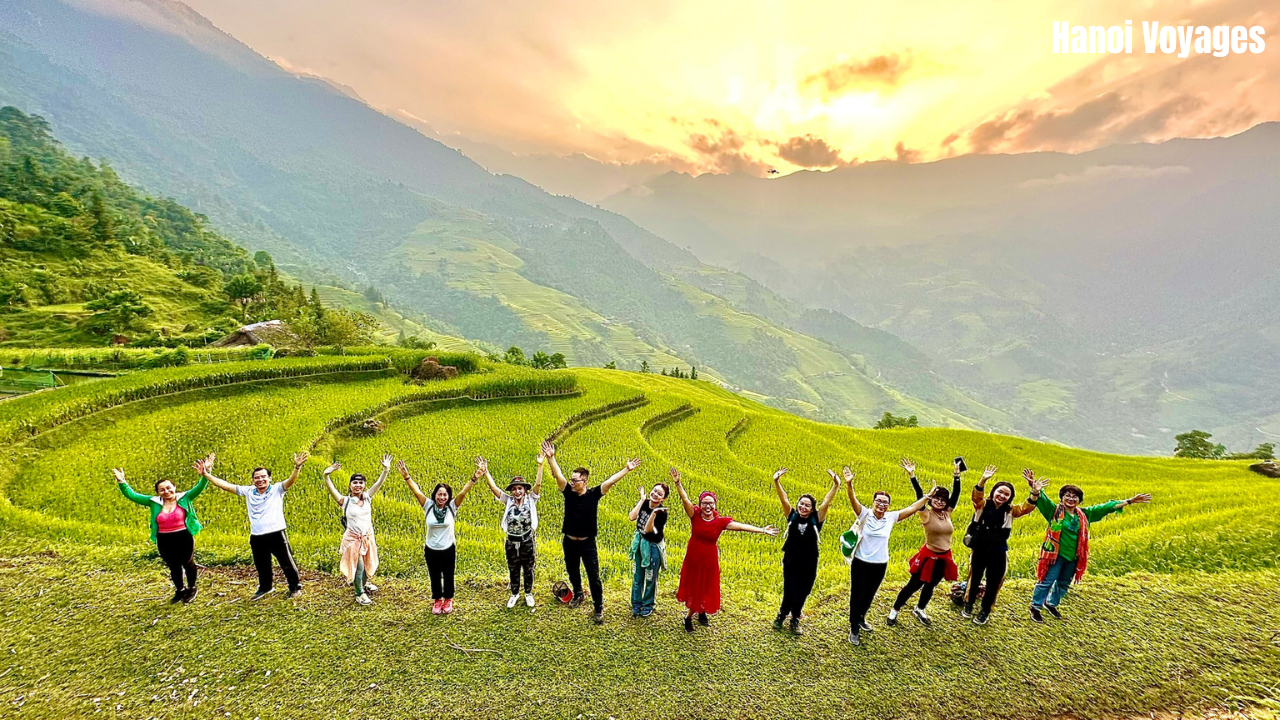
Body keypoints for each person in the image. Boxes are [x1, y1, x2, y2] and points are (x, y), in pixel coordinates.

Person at [1025, 469, 1152, 622]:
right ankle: (1035, 607)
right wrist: (1034, 487)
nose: (1071, 499)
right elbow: (1041, 499)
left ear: (1079, 500)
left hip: (1074, 556)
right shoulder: (1054, 511)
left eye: (1075, 496)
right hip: (1055, 555)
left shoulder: (1084, 515)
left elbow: (1106, 507)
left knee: (1064, 583)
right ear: (1062, 498)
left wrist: (1130, 501)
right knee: (1046, 581)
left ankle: (1051, 603)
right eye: (1067, 495)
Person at [543, 439, 641, 625]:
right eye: (571, 479)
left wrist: (626, 469)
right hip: (569, 541)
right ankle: (578, 594)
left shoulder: (594, 494)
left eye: (575, 480)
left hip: (588, 543)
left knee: (593, 576)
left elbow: (610, 481)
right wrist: (551, 458)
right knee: (573, 571)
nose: (572, 482)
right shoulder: (568, 492)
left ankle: (598, 606)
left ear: (585, 481)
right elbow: (558, 475)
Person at [671, 468, 779, 632]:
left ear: (715, 504)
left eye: (711, 503)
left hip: (709, 557)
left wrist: (762, 530)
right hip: (694, 556)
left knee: (706, 585)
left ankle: (701, 612)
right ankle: (688, 617)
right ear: (700, 504)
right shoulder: (695, 515)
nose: (708, 506)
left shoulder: (720, 521)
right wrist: (678, 483)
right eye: (704, 503)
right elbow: (685, 499)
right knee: (695, 586)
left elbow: (742, 527)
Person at [200, 452, 308, 600]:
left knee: (286, 563)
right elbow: (226, 486)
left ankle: (295, 587)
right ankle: (265, 587)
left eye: (263, 477)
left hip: (276, 533)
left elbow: (291, 480)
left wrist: (297, 467)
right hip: (257, 535)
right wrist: (206, 474)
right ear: (252, 480)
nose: (260, 480)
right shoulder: (249, 491)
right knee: (261, 564)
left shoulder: (277, 489)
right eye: (256, 477)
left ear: (269, 478)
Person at [843, 466, 928, 646]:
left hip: (880, 564)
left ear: (888, 505)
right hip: (861, 562)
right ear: (873, 502)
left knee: (870, 594)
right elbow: (853, 500)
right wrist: (849, 484)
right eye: (879, 501)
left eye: (885, 502)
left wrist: (927, 497)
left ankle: (861, 618)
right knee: (857, 594)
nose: (882, 504)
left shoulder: (891, 517)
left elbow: (913, 508)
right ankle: (854, 628)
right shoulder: (864, 513)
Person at [113, 460, 209, 604]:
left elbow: (200, 486)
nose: (166, 491)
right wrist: (122, 482)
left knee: (188, 562)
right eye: (162, 490)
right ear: (158, 492)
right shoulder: (154, 502)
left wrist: (205, 473)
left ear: (174, 487)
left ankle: (192, 588)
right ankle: (180, 590)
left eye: (169, 488)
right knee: (173, 565)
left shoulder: (185, 497)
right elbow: (132, 495)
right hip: (164, 538)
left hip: (183, 536)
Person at [961, 466, 1045, 625]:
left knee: (994, 582)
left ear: (1010, 497)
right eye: (999, 492)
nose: (1002, 495)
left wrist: (1035, 492)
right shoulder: (982, 504)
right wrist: (983, 479)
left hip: (998, 552)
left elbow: (1026, 508)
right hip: (979, 549)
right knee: (975, 578)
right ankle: (969, 604)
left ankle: (985, 610)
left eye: (1006, 494)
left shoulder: (1011, 510)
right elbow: (975, 496)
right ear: (993, 492)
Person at [887, 457, 964, 627]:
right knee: (913, 585)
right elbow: (919, 496)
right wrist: (912, 476)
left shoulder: (947, 513)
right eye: (936, 498)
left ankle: (920, 609)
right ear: (931, 499)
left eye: (942, 500)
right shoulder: (925, 514)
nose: (939, 501)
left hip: (944, 556)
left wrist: (956, 475)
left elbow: (956, 495)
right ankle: (894, 610)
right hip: (928, 556)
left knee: (931, 585)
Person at [400, 458, 479, 615]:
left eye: (445, 495)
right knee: (434, 574)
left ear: (448, 497)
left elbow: (464, 492)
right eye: (439, 494)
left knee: (448, 574)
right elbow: (416, 491)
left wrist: (474, 478)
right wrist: (407, 476)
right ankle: (437, 600)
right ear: (434, 495)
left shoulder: (452, 507)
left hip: (448, 547)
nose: (442, 497)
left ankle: (448, 599)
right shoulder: (428, 505)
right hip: (431, 548)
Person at [771, 467, 839, 633]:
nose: (803, 507)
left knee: (804, 590)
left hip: (809, 561)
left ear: (812, 508)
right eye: (801, 503)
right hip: (791, 559)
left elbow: (826, 502)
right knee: (790, 589)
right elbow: (784, 499)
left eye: (807, 505)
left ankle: (795, 618)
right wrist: (776, 481)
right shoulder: (792, 515)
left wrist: (836, 485)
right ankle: (781, 615)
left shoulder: (817, 519)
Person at [321, 454, 392, 606]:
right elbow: (331, 489)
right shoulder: (345, 501)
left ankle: (363, 584)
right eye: (355, 482)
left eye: (361, 483)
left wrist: (386, 470)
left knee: (368, 566)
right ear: (350, 485)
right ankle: (360, 593)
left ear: (364, 485)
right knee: (359, 568)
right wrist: (326, 476)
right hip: (353, 540)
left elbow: (379, 484)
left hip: (367, 537)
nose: (358, 485)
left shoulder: (367, 498)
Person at [479, 451, 543, 609]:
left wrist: (540, 465)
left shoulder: (531, 499)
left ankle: (528, 593)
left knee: (528, 568)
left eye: (520, 488)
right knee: (513, 567)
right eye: (514, 489)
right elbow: (494, 489)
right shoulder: (508, 501)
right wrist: (486, 472)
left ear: (525, 490)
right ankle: (515, 593)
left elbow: (538, 485)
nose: (517, 491)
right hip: (511, 541)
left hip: (527, 540)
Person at [628, 478, 670, 617]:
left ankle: (648, 605)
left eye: (659, 494)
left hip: (653, 546)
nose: (655, 494)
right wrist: (641, 499)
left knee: (651, 577)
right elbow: (632, 517)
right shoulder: (645, 503)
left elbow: (647, 530)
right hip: (640, 543)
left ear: (663, 498)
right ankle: (636, 603)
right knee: (637, 575)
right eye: (654, 491)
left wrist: (654, 514)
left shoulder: (662, 513)